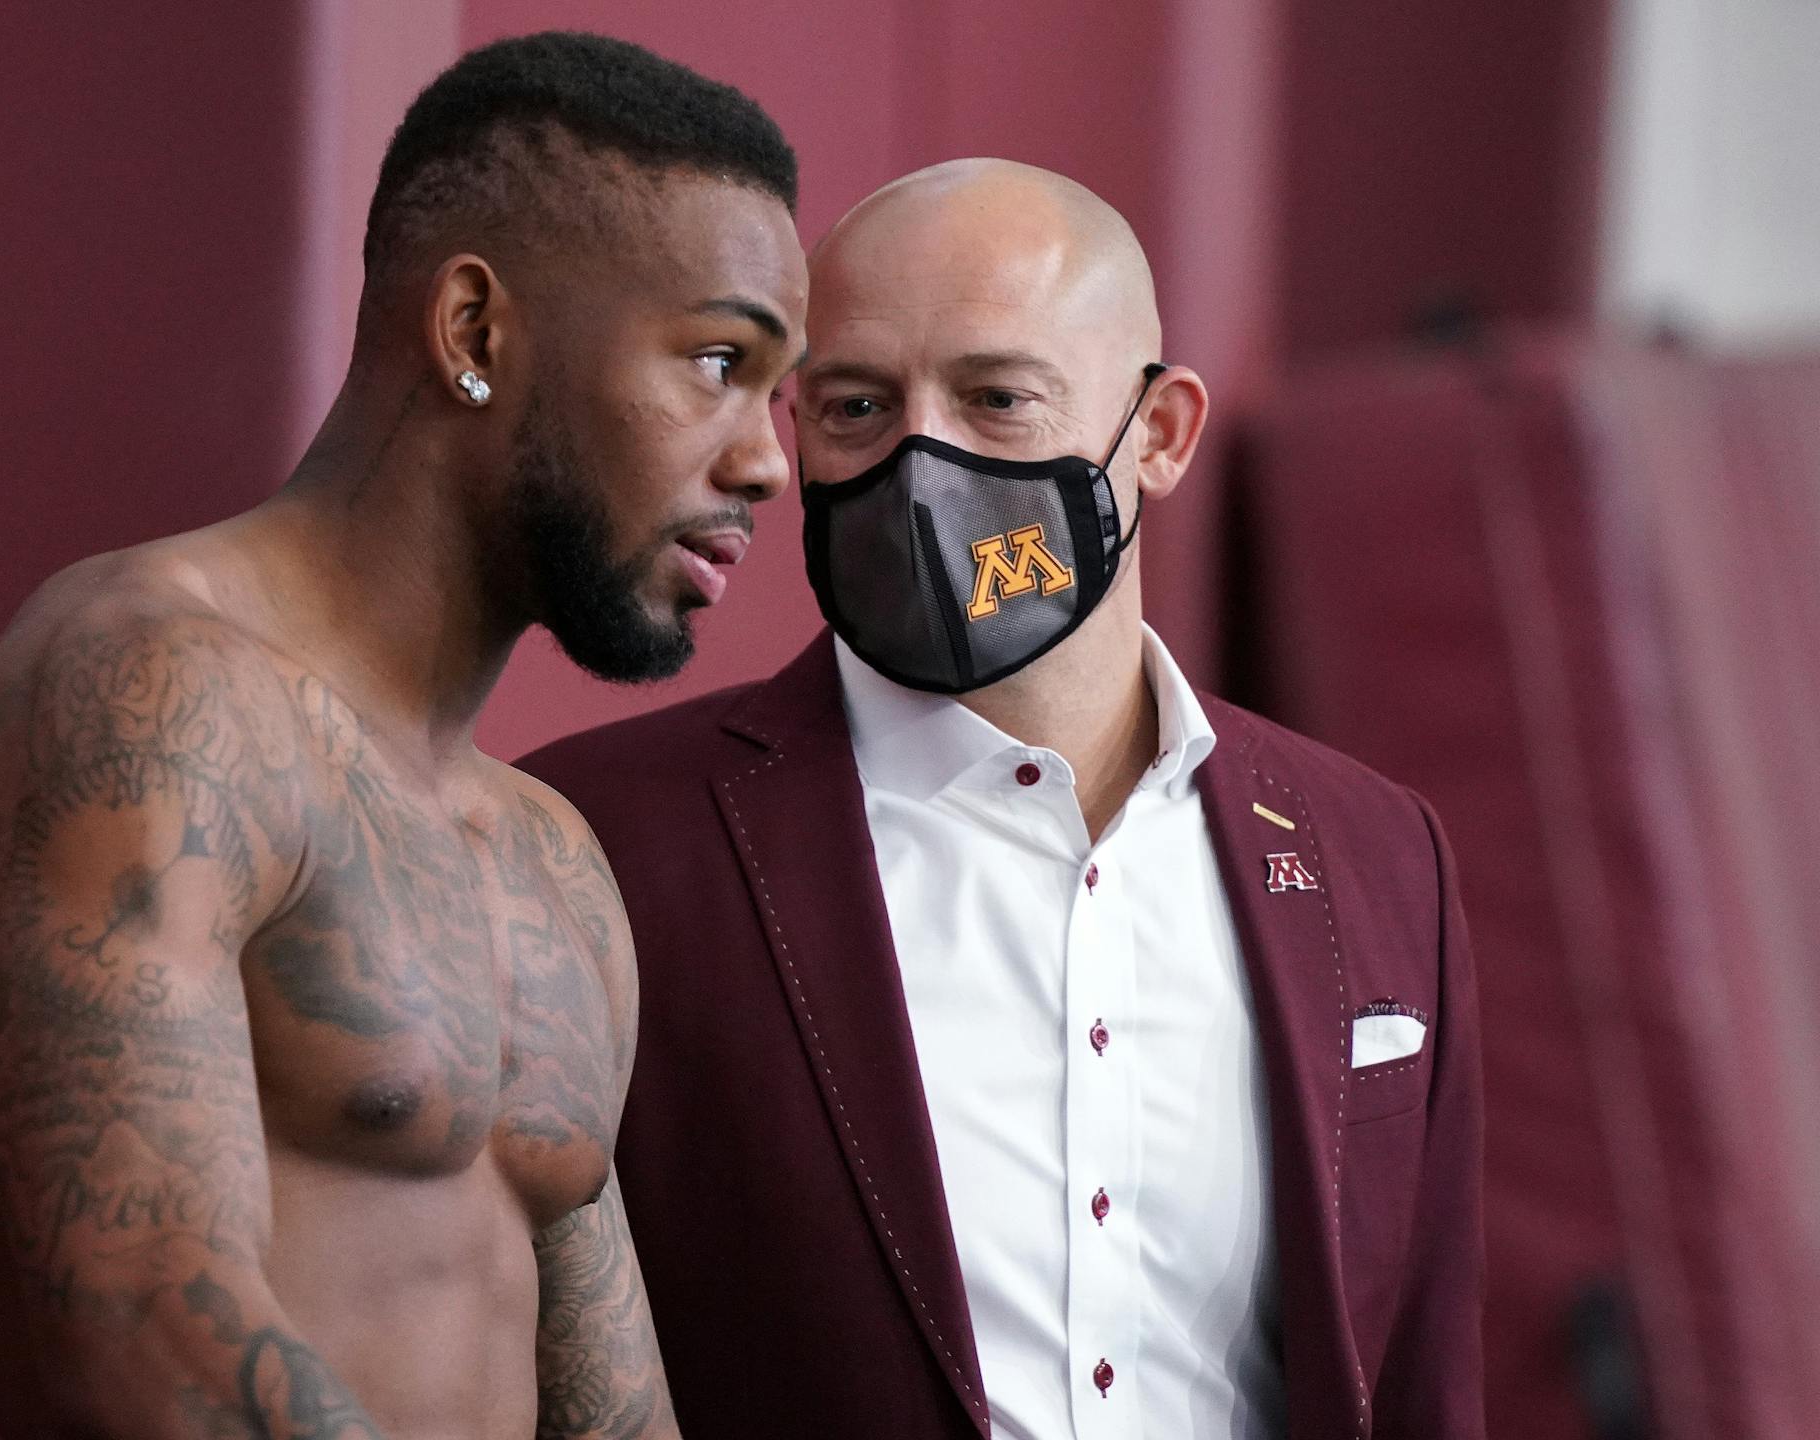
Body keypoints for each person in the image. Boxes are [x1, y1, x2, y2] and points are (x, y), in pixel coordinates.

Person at [0, 31, 807, 1439]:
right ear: (476, 332)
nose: (764, 461)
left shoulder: (548, 859)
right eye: (717, 363)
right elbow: (151, 1330)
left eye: (780, 395)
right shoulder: (145, 701)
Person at [521, 159, 1484, 1439]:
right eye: (858, 407)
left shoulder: (1379, 856)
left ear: (1160, 435)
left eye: (998, 398)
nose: (923, 461)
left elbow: (1416, 1378)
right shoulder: (599, 843)